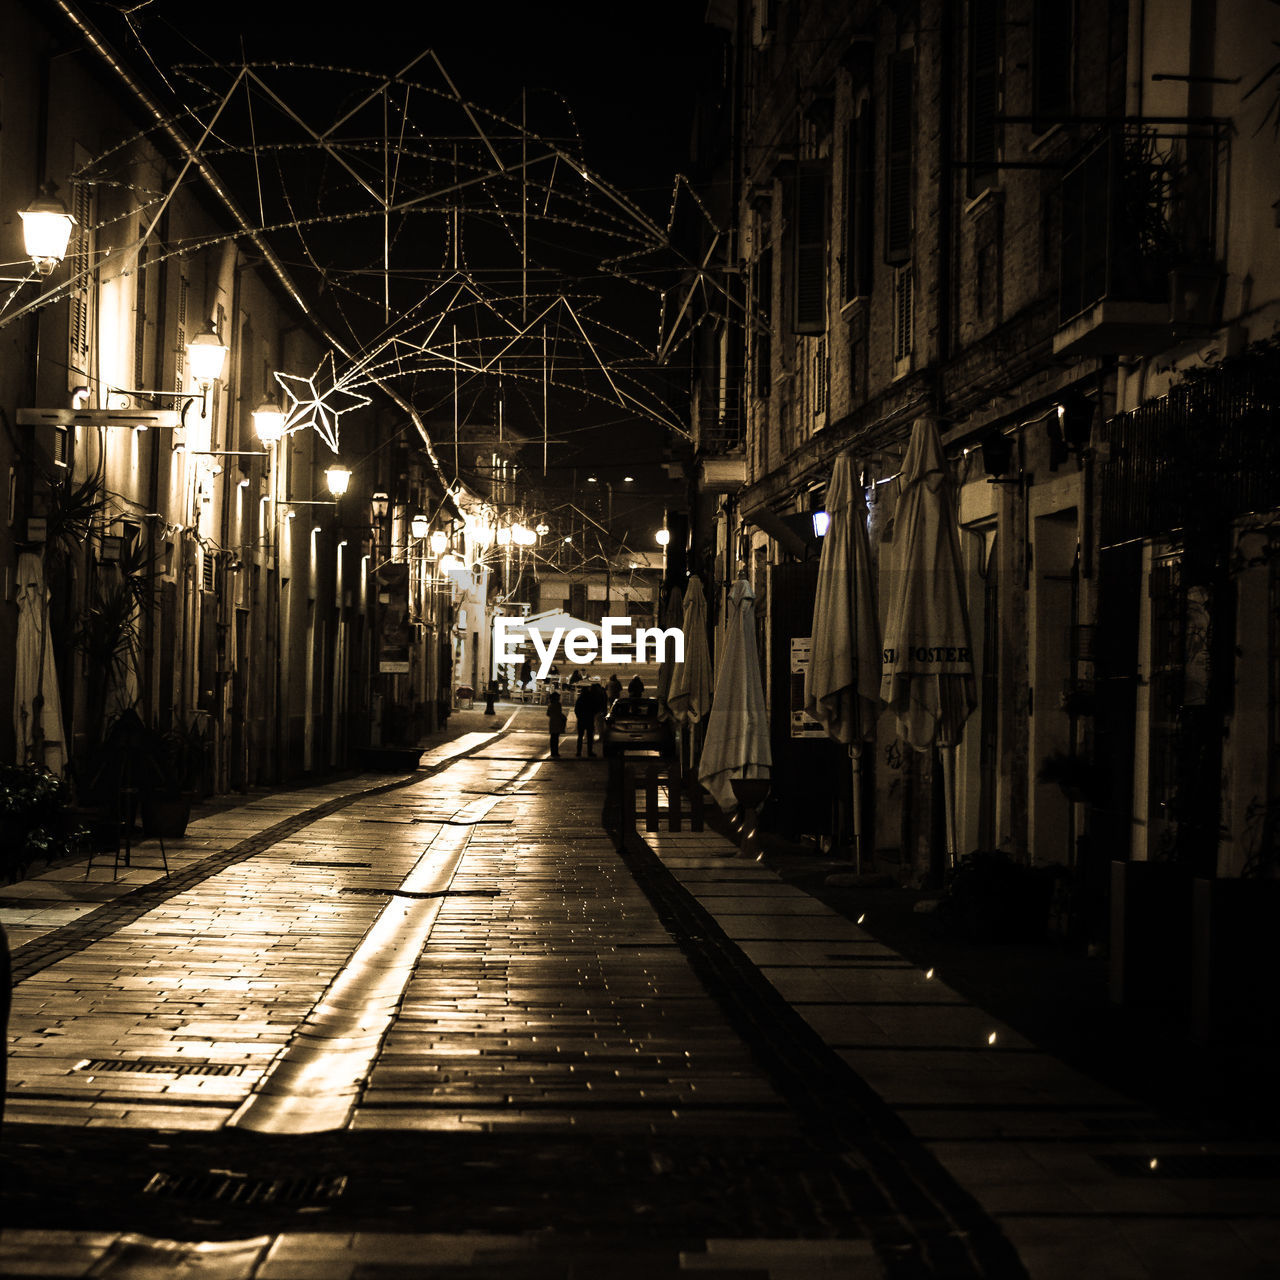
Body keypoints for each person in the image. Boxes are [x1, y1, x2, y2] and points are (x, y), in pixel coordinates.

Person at [575, 679, 606, 757]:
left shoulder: (580, 699)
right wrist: (592, 714)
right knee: (589, 737)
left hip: (581, 719)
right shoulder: (591, 699)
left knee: (580, 737)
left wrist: (579, 716)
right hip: (589, 719)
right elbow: (595, 708)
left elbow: (576, 709)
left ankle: (578, 752)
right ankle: (589, 752)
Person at [546, 690, 567, 758]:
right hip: (557, 722)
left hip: (552, 722)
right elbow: (559, 713)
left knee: (553, 738)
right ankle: (556, 752)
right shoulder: (558, 704)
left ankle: (553, 752)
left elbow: (548, 714)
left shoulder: (550, 705)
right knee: (556, 738)